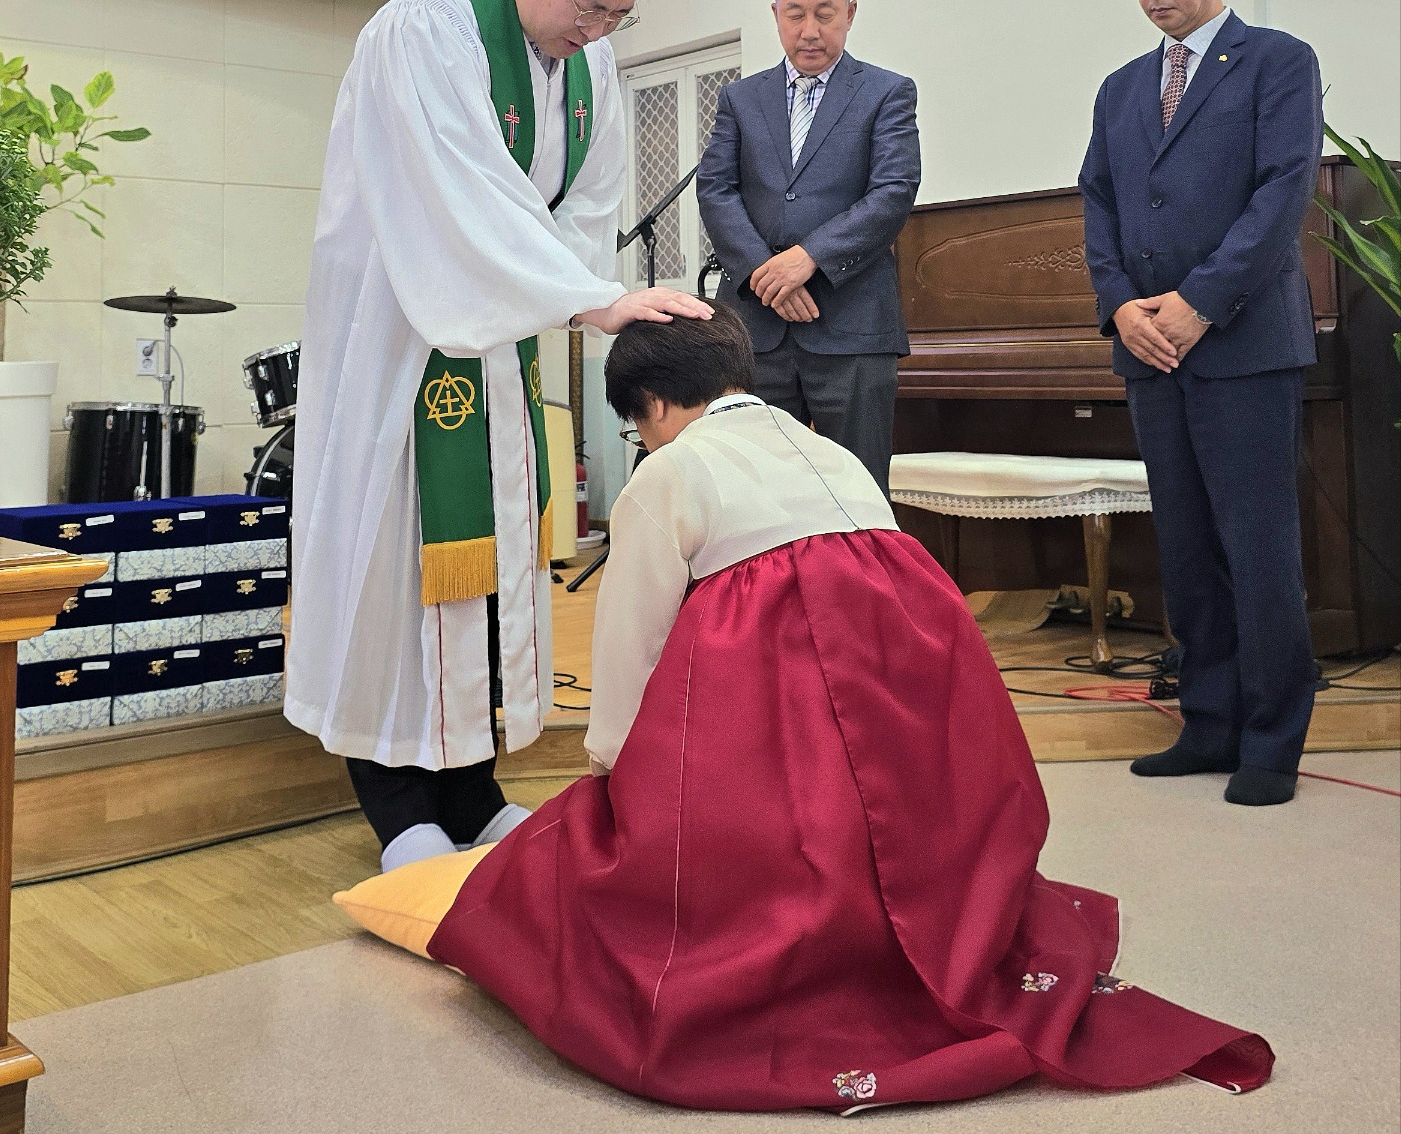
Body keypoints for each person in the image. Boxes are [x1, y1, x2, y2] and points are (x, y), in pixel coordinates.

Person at [337, 306, 1274, 1113]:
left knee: (590, 864)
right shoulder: (824, 448)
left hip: (787, 716)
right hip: (924, 718)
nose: (644, 444)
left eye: (636, 429)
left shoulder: (670, 471)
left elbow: (633, 637)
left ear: (651, 406)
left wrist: (612, 763)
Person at [288, 0, 710, 872]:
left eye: (618, 15)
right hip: (402, 337)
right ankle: (397, 804)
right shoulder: (422, 32)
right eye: (588, 6)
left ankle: (470, 791)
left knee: (487, 568)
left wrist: (578, 289)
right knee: (398, 564)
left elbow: (584, 206)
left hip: (496, 336)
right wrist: (586, 298)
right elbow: (457, 197)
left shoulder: (587, 61)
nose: (596, 31)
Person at [1079, 0, 1324, 808]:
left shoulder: (1276, 62)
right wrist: (1120, 307)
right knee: (1184, 549)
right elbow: (1098, 203)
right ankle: (1209, 722)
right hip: (1149, 350)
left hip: (1242, 345)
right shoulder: (1119, 88)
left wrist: (1197, 304)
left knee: (1256, 549)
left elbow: (1280, 195)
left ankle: (1272, 738)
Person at [696, 0, 919, 494]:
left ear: (850, 13)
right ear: (776, 15)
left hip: (853, 329)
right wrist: (764, 273)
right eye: (795, 15)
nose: (809, 31)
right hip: (756, 333)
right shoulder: (741, 99)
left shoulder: (886, 92)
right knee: (758, 492)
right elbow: (716, 189)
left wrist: (808, 259)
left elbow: (893, 191)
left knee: (857, 491)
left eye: (824, 14)